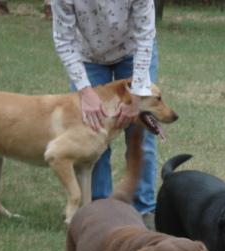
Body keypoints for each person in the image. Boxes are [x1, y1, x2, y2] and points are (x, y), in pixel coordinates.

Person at [52, 0, 159, 228]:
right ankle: (100, 210)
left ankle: (144, 210)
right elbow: (64, 39)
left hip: (134, 52)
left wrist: (136, 99)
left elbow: (145, 36)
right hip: (87, 57)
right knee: (92, 131)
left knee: (140, 135)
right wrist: (86, 92)